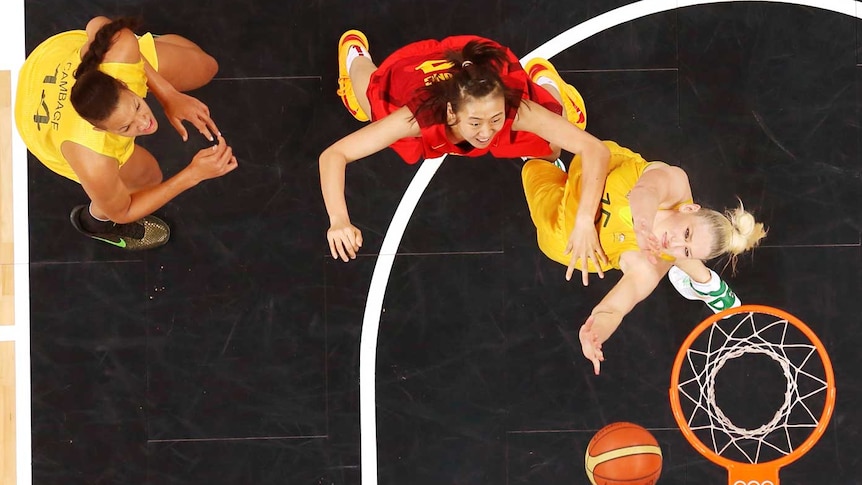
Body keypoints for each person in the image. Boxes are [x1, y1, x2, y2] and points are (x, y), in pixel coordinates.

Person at [320, 30, 611, 284]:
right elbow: (334, 154)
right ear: (451, 113)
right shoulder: (415, 117)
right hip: (413, 73)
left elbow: (595, 149)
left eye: (495, 119)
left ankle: (546, 84)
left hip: (479, 71)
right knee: (372, 102)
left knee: (551, 146)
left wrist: (585, 219)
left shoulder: (513, 107)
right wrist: (338, 220)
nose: (486, 132)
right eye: (475, 123)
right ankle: (356, 56)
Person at [521, 141, 767, 375]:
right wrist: (642, 226)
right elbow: (645, 190)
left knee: (535, 163)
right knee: (552, 117)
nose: (675, 243)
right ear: (689, 208)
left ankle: (702, 279)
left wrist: (596, 332)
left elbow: (614, 309)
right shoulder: (676, 185)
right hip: (597, 166)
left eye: (687, 251)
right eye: (687, 233)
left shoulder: (650, 264)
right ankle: (703, 280)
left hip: (565, 224)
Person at [15, 16, 238, 250]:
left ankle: (146, 53)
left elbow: (98, 24)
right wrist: (193, 174)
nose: (145, 124)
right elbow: (124, 211)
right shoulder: (93, 158)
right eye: (125, 127)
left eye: (137, 106)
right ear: (100, 129)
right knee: (148, 177)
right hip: (40, 122)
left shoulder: (120, 48)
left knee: (206, 67)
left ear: (121, 83)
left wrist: (168, 95)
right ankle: (96, 222)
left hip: (49, 60)